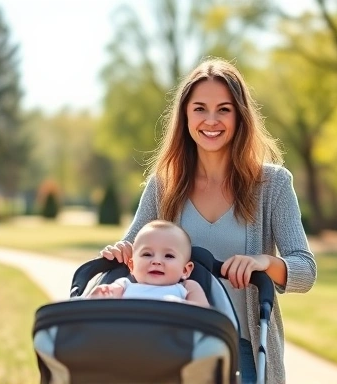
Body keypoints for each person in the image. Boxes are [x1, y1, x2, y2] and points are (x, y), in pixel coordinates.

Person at [99, 57, 317, 384]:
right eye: (200, 108)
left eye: (224, 109)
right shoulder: (164, 185)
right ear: (185, 115)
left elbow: (305, 271)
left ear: (240, 116)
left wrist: (263, 262)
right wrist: (120, 251)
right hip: (172, 346)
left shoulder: (273, 185)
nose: (211, 120)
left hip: (244, 349)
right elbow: (133, 248)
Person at [90, 220, 209, 307]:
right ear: (132, 266)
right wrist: (103, 293)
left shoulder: (187, 288)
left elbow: (203, 315)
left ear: (185, 270)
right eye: (147, 254)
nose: (156, 261)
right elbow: (102, 300)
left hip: (173, 338)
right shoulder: (124, 285)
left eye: (169, 256)